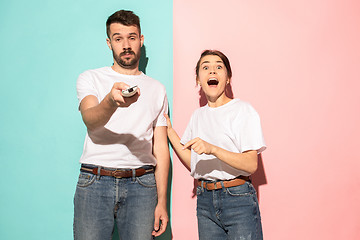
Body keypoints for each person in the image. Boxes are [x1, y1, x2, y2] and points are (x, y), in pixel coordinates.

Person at [74, 10, 170, 240]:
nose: (126, 45)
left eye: (132, 37)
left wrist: (162, 203)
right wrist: (111, 101)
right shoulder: (90, 78)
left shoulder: (157, 89)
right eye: (118, 38)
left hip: (142, 185)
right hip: (95, 180)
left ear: (141, 39)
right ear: (109, 43)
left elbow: (161, 149)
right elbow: (90, 119)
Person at [165, 50, 266, 240]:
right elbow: (194, 162)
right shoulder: (198, 116)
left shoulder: (243, 110)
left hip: (238, 198)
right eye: (206, 67)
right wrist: (169, 131)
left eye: (219, 67)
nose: (212, 71)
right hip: (205, 200)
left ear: (228, 78)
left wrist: (213, 149)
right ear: (198, 79)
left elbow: (251, 164)